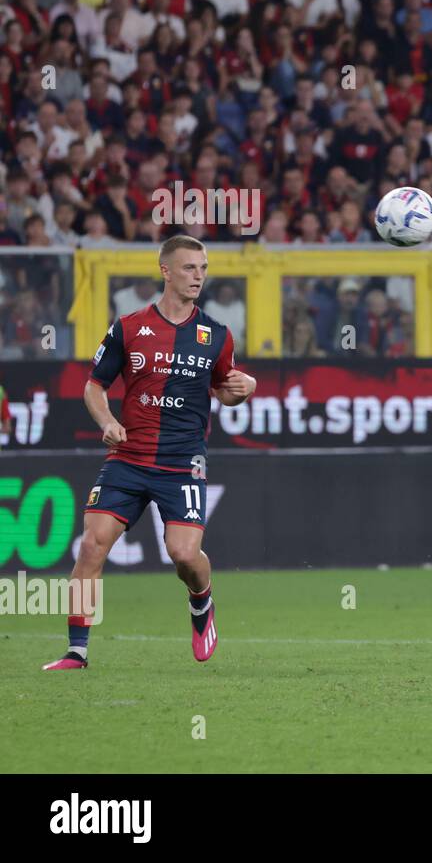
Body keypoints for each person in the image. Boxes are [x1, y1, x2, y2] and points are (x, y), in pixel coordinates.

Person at [43, 236, 257, 671]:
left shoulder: (215, 334)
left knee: (183, 554)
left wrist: (246, 389)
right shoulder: (128, 326)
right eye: (189, 268)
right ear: (165, 271)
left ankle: (201, 602)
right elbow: (94, 386)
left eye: (203, 268)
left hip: (182, 463)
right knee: (91, 548)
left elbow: (223, 389)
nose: (199, 276)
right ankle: (76, 652)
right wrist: (106, 422)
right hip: (127, 456)